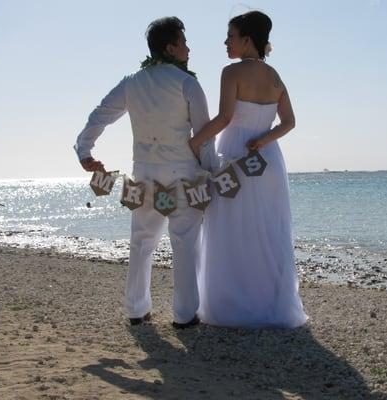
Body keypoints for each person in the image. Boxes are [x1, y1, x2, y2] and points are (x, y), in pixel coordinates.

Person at [74, 17, 217, 329]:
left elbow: (101, 113)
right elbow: (204, 136)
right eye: (184, 42)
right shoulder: (187, 83)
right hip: (183, 173)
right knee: (185, 242)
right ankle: (183, 314)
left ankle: (136, 309)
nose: (189, 49)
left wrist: (84, 151)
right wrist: (213, 173)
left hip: (145, 174)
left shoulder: (132, 82)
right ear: (170, 48)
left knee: (141, 241)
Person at [189, 11, 308, 329]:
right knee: (267, 231)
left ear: (247, 40)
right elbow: (290, 122)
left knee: (231, 229)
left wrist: (193, 143)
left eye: (230, 35)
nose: (226, 41)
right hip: (267, 159)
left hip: (234, 157)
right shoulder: (275, 77)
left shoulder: (231, 72)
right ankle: (269, 303)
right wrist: (264, 139)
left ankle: (231, 304)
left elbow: (224, 118)